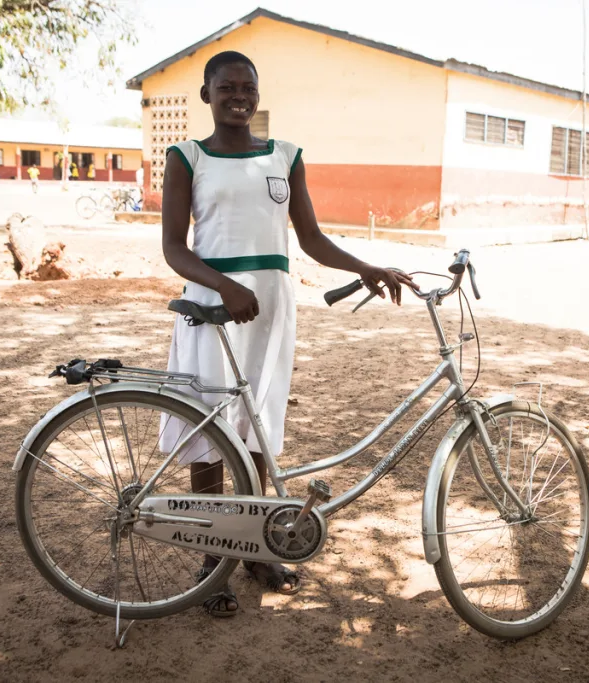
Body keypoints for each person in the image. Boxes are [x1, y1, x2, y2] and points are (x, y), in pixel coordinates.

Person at [161, 51, 414, 618]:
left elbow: (312, 239)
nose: (237, 96)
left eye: (247, 87)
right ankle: (211, 559)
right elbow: (176, 248)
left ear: (258, 93)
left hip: (271, 307)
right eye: (225, 87)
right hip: (214, 305)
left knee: (257, 427)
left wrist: (364, 268)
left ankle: (251, 547)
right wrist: (224, 287)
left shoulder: (285, 157)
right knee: (211, 431)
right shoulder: (187, 158)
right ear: (207, 95)